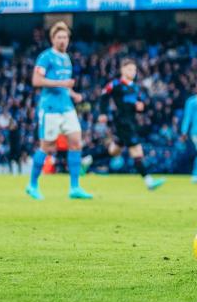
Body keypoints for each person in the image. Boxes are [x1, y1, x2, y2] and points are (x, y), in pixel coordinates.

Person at [25, 21, 91, 200]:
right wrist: (62, 84)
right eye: (59, 37)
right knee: (47, 147)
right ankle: (32, 185)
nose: (63, 40)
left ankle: (74, 187)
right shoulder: (46, 57)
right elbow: (36, 81)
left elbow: (64, 85)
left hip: (67, 107)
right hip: (50, 108)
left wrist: (73, 93)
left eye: (65, 37)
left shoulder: (66, 59)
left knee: (76, 142)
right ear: (52, 39)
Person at [98, 58, 165, 191]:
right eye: (129, 69)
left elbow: (141, 104)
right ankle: (148, 181)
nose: (132, 72)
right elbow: (104, 96)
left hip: (132, 121)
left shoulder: (135, 87)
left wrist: (142, 106)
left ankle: (88, 159)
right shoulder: (116, 84)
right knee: (137, 150)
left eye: (134, 69)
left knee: (114, 150)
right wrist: (103, 113)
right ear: (122, 70)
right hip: (121, 122)